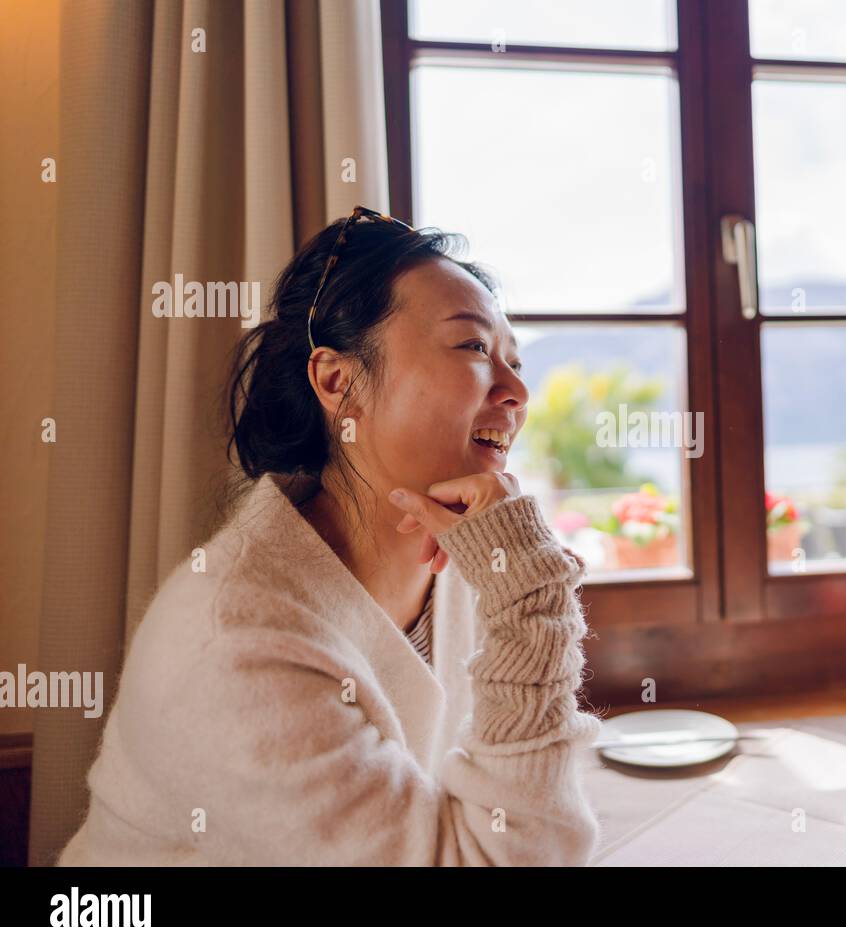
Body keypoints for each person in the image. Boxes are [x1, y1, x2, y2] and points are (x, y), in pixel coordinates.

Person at [58, 208, 603, 865]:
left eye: (513, 361)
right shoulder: (238, 638)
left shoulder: (466, 563)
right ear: (338, 382)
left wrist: (518, 582)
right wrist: (531, 600)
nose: (516, 390)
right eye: (473, 348)